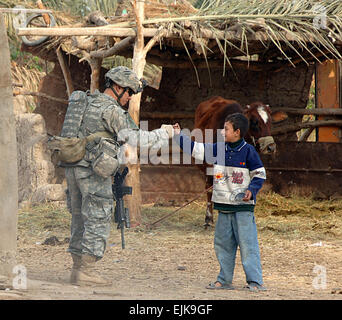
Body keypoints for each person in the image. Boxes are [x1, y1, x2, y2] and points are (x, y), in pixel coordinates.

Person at [60, 66, 174, 286]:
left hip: (73, 167)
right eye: (129, 92)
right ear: (118, 87)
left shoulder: (85, 101)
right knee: (97, 216)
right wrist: (166, 132)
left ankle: (77, 269)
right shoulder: (111, 110)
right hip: (93, 170)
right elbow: (136, 139)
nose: (130, 97)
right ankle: (87, 271)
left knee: (79, 217)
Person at [173, 113, 266, 291]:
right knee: (222, 244)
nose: (223, 132)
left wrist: (251, 190)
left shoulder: (249, 151)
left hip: (243, 210)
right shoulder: (219, 149)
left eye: (226, 129)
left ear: (237, 132)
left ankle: (255, 281)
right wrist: (178, 136)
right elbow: (196, 149)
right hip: (223, 208)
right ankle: (224, 279)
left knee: (248, 245)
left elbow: (260, 174)